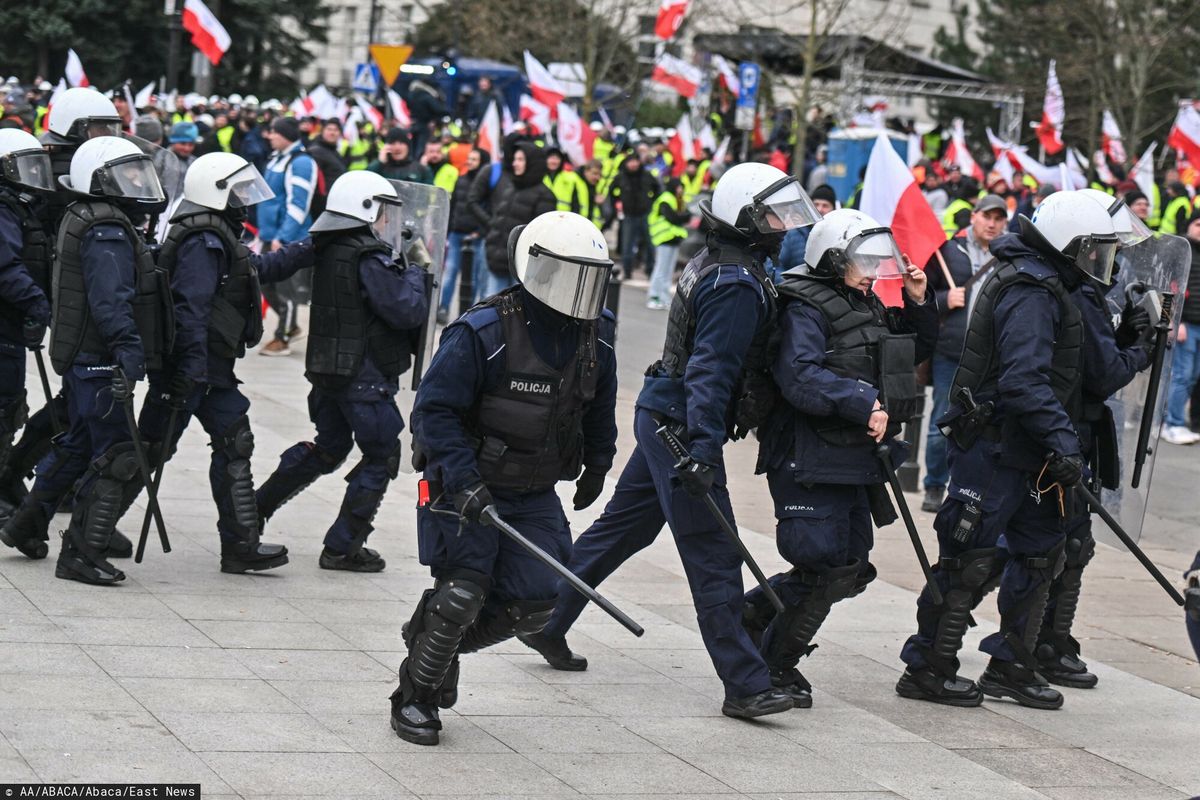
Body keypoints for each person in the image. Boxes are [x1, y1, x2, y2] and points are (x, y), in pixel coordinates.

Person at [521, 163, 822, 719]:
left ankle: (547, 620)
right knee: (714, 554)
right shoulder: (735, 283)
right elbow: (710, 372)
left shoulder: (730, 263)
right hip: (681, 425)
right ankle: (746, 683)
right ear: (747, 218)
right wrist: (703, 452)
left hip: (665, 412)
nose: (785, 226)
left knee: (619, 532)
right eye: (775, 215)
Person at [388, 211, 618, 746]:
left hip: (533, 489)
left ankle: (430, 641)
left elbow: (599, 405)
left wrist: (599, 463)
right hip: (462, 484)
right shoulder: (484, 329)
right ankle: (416, 698)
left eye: (591, 275)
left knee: (540, 596)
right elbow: (434, 411)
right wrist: (464, 480)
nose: (582, 290)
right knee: (463, 592)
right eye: (571, 274)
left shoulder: (596, 335)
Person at [897, 191, 1122, 709]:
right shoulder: (1031, 288)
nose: (1097, 262)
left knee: (1042, 556)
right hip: (998, 447)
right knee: (969, 559)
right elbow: (1023, 380)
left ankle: (1012, 666)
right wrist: (1064, 440)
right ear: (1069, 244)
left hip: (1033, 451)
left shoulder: (1050, 281)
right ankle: (929, 666)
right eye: (1093, 250)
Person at [744, 208, 937, 707]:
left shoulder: (864, 302)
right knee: (827, 565)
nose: (873, 271)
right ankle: (773, 666)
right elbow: (800, 377)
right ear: (832, 260)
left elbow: (906, 353)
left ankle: (746, 618)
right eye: (862, 261)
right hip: (808, 455)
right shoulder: (804, 307)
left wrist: (917, 302)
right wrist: (861, 402)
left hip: (851, 456)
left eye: (877, 261)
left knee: (850, 566)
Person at [129, 152, 316, 573]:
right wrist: (188, 372)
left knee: (235, 445)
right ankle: (85, 538)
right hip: (189, 370)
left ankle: (240, 546)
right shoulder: (202, 242)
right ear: (216, 193)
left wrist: (312, 245)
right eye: (238, 191)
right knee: (144, 453)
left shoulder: (220, 238)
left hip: (210, 372)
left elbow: (261, 268)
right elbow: (189, 311)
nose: (245, 200)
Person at [2, 136, 171, 582]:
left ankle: (25, 525)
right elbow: (110, 301)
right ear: (101, 181)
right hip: (99, 355)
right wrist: (128, 350)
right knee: (115, 453)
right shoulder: (107, 229)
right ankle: (80, 552)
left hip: (85, 354)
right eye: (128, 174)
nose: (138, 182)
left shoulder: (89, 216)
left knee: (78, 444)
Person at [256, 171, 428, 571]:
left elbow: (274, 265)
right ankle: (342, 546)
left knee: (329, 447)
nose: (388, 221)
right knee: (382, 453)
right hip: (364, 378)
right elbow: (406, 309)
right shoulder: (369, 257)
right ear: (364, 211)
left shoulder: (328, 245)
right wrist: (417, 271)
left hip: (329, 374)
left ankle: (252, 511)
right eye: (383, 212)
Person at [1032, 189, 1156, 687]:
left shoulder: (1082, 292)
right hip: (1060, 432)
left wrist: (1127, 334)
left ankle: (1050, 640)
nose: (1112, 258)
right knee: (1042, 549)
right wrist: (1141, 347)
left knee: (1070, 545)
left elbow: (1098, 359)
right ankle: (1035, 644)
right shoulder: (1075, 294)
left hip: (1074, 430)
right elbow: (1102, 374)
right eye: (1105, 248)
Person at [922, 194, 1009, 512]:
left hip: (990, 359)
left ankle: (966, 488)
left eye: (999, 218)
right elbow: (920, 295)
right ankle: (933, 485)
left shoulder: (1008, 257)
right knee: (939, 423)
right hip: (951, 352)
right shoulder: (947, 251)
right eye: (987, 216)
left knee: (981, 428)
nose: (992, 223)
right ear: (973, 216)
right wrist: (946, 299)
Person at [0, 130, 53, 525]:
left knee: (10, 407)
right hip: (4, 323)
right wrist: (36, 302)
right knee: (3, 410)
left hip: (10, 326)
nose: (34, 174)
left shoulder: (18, 206)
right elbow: (6, 267)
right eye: (26, 166)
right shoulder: (3, 208)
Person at [257, 116, 315, 356]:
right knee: (264, 282)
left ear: (286, 136)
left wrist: (283, 236)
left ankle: (284, 335)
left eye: (275, 132)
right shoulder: (276, 158)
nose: (270, 136)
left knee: (285, 289)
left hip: (287, 238)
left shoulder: (300, 162)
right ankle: (289, 324)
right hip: (270, 235)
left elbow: (298, 205)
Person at [477, 142, 557, 298]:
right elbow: (499, 221)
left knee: (515, 315)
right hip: (497, 263)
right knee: (490, 309)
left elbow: (541, 238)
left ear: (532, 163)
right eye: (515, 159)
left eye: (520, 159)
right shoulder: (511, 188)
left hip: (521, 271)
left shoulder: (545, 196)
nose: (515, 163)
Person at [1162, 210, 1200, 445]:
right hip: (1186, 325)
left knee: (1193, 376)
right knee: (1182, 376)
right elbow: (1173, 288)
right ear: (1188, 226)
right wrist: (1175, 321)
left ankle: (1173, 421)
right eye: (1198, 223)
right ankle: (1172, 424)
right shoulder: (1182, 253)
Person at [440, 147, 490, 323]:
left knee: (473, 278)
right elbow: (453, 206)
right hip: (456, 234)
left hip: (475, 238)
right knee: (450, 273)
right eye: (469, 158)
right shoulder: (460, 180)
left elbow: (489, 210)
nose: (470, 162)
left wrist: (481, 232)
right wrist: (448, 230)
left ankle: (469, 313)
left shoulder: (486, 185)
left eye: (474, 159)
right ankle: (443, 308)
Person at [610, 154, 659, 280]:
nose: (633, 164)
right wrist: (617, 204)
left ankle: (650, 271)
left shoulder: (647, 175)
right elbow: (611, 192)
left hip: (645, 215)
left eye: (635, 161)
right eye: (630, 161)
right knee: (627, 246)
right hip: (628, 215)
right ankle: (627, 272)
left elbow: (658, 189)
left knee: (649, 244)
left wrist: (651, 202)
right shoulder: (620, 177)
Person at [646, 177, 691, 309]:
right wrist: (682, 216)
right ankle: (654, 296)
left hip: (673, 239)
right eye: (679, 187)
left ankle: (664, 297)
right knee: (661, 269)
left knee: (668, 270)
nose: (681, 189)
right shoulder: (666, 198)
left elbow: (684, 216)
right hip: (664, 239)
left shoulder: (678, 200)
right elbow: (674, 218)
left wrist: (681, 216)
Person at [367, 129, 433, 184]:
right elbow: (366, 181)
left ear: (408, 146)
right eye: (393, 143)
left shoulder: (421, 169)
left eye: (401, 143)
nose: (397, 148)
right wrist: (380, 162)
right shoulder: (379, 168)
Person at [308, 119, 348, 186]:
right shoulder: (316, 151)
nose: (332, 133)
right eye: (329, 129)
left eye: (336, 130)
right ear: (322, 131)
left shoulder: (335, 151)